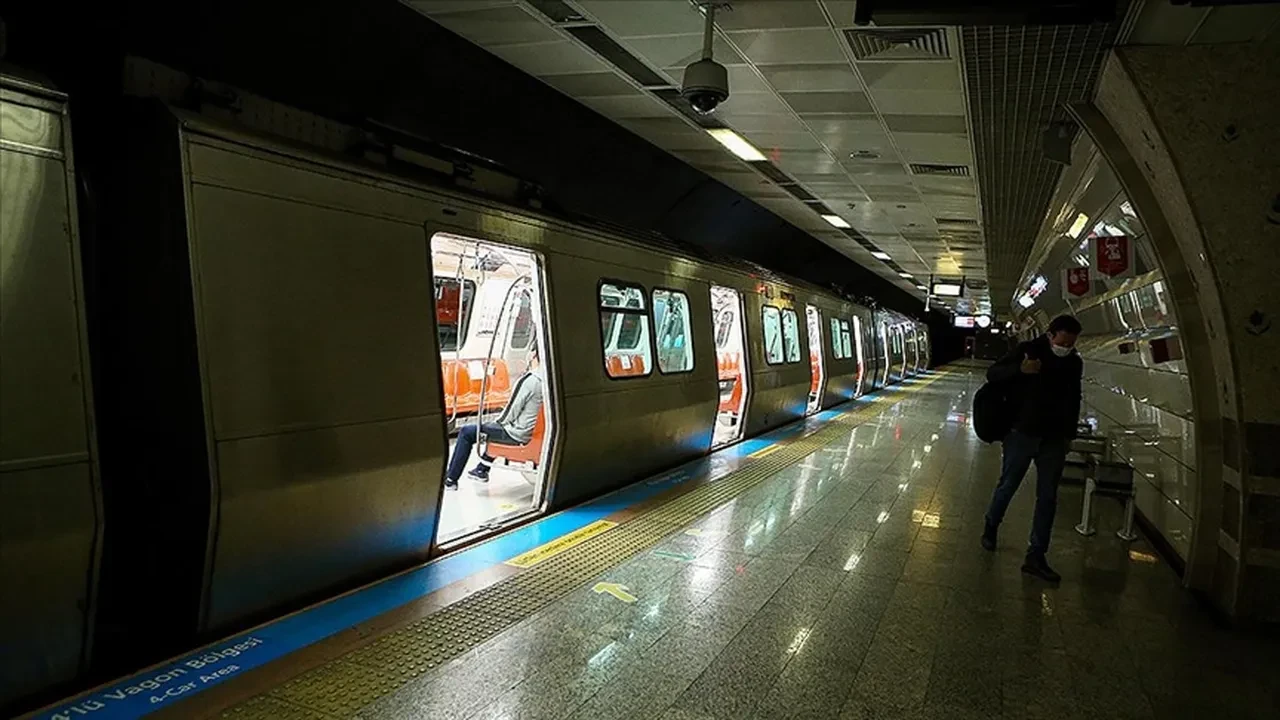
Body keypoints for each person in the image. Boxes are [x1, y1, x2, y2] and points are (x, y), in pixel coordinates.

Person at [980, 314, 1083, 582]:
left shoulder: (1074, 363)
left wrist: (1069, 436)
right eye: (1063, 341)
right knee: (1008, 484)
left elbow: (1074, 399)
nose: (1067, 347)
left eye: (1071, 343)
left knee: (1048, 497)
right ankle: (991, 525)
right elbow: (992, 374)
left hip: (1054, 439)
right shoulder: (1027, 351)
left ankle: (1036, 555)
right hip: (1021, 434)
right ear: (1050, 335)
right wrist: (1020, 370)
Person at [445, 347, 544, 490]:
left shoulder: (530, 380)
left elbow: (512, 411)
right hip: (531, 431)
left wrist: (495, 423)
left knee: (468, 432)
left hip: (517, 434)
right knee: (491, 429)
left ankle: (450, 479)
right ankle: (481, 469)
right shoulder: (549, 379)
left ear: (533, 355)